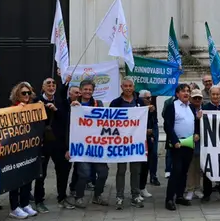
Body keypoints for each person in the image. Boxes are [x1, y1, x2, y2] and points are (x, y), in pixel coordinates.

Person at [71, 79, 110, 208]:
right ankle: (79, 197)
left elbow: (104, 120)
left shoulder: (98, 103)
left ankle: (97, 195)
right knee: (84, 173)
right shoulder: (74, 104)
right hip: (81, 146)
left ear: (93, 91)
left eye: (90, 90)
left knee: (103, 172)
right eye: (85, 89)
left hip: (97, 145)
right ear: (81, 91)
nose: (88, 92)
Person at [33, 77, 69, 213]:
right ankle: (39, 200)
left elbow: (65, 119)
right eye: (48, 83)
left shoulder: (60, 101)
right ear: (43, 87)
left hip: (58, 143)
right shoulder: (37, 101)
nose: (51, 86)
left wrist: (56, 110)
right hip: (43, 143)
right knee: (41, 173)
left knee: (62, 171)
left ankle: (62, 197)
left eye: (53, 84)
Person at [110, 78, 144, 210]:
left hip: (135, 142)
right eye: (126, 86)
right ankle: (119, 196)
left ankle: (135, 195)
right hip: (121, 143)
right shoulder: (116, 103)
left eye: (130, 86)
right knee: (121, 170)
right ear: (121, 87)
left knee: (136, 170)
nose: (128, 88)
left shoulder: (139, 102)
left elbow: (145, 119)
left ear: (134, 87)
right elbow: (109, 121)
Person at [163, 84, 198, 211]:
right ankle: (169, 199)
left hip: (189, 144)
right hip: (177, 144)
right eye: (183, 91)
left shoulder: (192, 107)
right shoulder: (172, 106)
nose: (186, 93)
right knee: (176, 171)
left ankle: (179, 195)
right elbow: (167, 125)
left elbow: (195, 123)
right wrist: (174, 140)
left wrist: (196, 134)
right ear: (177, 94)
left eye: (188, 91)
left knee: (184, 171)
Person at [7, 83, 39, 219]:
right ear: (17, 95)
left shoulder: (33, 108)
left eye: (28, 93)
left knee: (27, 177)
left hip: (29, 148)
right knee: (15, 179)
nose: (26, 96)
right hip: (15, 150)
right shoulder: (11, 109)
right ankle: (14, 207)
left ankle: (25, 203)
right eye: (23, 93)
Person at [201, 86, 220, 202]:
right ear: (210, 95)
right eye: (213, 94)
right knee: (208, 167)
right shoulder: (205, 108)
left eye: (217, 94)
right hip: (210, 143)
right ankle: (207, 193)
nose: (215, 96)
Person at [183, 89, 206, 202]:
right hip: (191, 140)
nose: (197, 100)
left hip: (204, 142)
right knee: (191, 166)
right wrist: (196, 118)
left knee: (199, 166)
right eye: (195, 98)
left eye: (199, 98)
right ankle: (190, 189)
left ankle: (198, 187)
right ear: (191, 99)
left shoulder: (205, 108)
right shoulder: (188, 109)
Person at [138, 90, 159, 194]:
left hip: (148, 140)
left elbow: (153, 122)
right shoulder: (137, 108)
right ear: (141, 98)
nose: (150, 100)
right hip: (137, 141)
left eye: (150, 97)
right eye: (147, 98)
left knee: (146, 164)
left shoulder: (151, 109)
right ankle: (136, 189)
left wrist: (151, 135)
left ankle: (142, 187)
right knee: (138, 167)